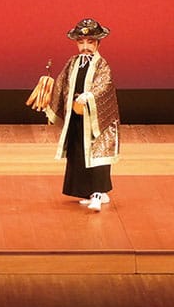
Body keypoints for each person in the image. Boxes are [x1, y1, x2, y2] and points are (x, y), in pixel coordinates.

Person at [42, 18, 120, 212]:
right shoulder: (73, 63)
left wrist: (90, 96)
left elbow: (105, 86)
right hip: (77, 117)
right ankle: (87, 191)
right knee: (78, 154)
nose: (85, 46)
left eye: (90, 42)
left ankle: (98, 192)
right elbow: (62, 84)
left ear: (97, 43)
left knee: (96, 155)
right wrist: (48, 88)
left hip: (96, 121)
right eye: (81, 42)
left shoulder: (102, 65)